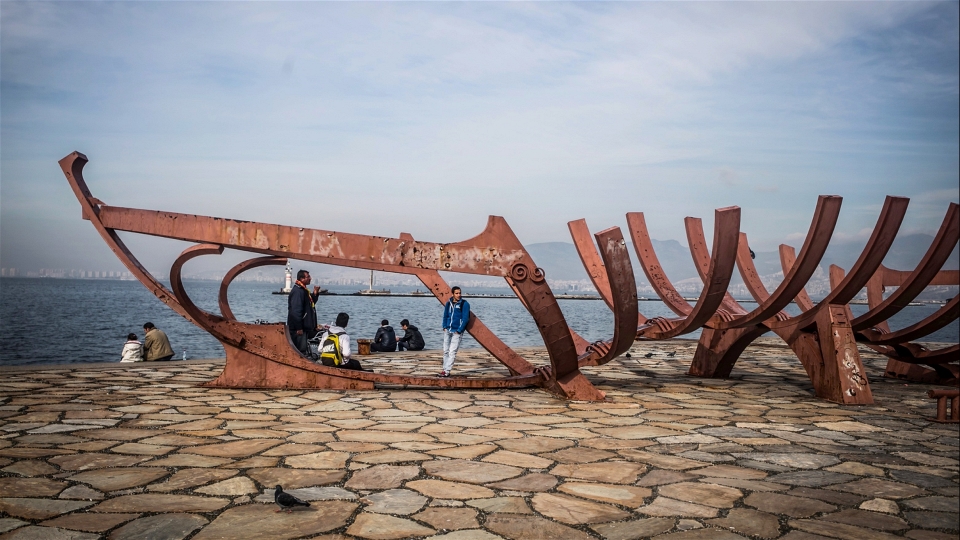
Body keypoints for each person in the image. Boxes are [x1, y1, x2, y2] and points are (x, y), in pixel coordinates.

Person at [288, 269, 322, 358]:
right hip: (298, 329)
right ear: (302, 279)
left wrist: (315, 294)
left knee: (303, 350)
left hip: (304, 327)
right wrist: (299, 328)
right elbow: (296, 311)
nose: (310, 278)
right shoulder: (298, 292)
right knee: (299, 351)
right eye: (308, 277)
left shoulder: (303, 290)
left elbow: (310, 305)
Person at [440, 286, 470, 377]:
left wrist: (459, 330)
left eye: (460, 293)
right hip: (448, 330)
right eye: (456, 293)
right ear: (452, 294)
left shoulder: (464, 304)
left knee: (452, 352)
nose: (459, 295)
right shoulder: (448, 303)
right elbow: (445, 316)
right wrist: (444, 326)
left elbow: (465, 318)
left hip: (457, 331)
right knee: (445, 351)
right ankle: (444, 369)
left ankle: (447, 371)